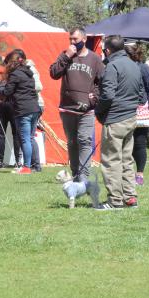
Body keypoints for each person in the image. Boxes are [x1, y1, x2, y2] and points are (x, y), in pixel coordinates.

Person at [50, 27, 104, 182]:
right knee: (72, 143)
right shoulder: (66, 55)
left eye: (76, 39)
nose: (73, 42)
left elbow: (103, 82)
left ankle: (84, 176)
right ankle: (75, 174)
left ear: (84, 39)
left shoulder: (94, 59)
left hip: (86, 110)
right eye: (70, 39)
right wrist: (67, 56)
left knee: (85, 140)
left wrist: (95, 98)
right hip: (67, 108)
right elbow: (54, 73)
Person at [94, 35, 142, 210]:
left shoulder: (112, 66)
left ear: (107, 50)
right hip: (130, 118)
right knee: (127, 160)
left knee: (111, 161)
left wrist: (98, 111)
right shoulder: (134, 65)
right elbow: (142, 94)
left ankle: (115, 201)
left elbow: (107, 96)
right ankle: (130, 197)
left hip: (115, 119)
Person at [0, 49, 40, 175]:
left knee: (25, 139)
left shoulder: (15, 74)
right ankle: (35, 165)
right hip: (34, 108)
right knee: (30, 138)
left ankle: (26, 167)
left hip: (23, 109)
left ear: (12, 63)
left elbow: (8, 91)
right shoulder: (29, 73)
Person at [125, 44, 149, 186]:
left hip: (141, 109)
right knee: (126, 143)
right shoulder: (120, 67)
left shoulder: (143, 68)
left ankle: (139, 174)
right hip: (125, 108)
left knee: (139, 143)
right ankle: (126, 173)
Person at [26, 59, 44, 172]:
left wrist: (24, 87)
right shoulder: (31, 70)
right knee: (29, 137)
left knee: (29, 137)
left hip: (35, 104)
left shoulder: (31, 70)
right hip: (35, 104)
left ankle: (35, 165)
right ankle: (34, 165)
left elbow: (38, 87)